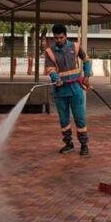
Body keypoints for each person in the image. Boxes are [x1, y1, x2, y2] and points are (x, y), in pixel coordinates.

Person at [44, 24, 92, 155]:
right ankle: (68, 144)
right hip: (60, 91)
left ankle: (84, 145)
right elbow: (50, 69)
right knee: (64, 119)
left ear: (66, 36)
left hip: (76, 89)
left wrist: (87, 75)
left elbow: (86, 59)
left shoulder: (75, 47)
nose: (59, 40)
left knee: (79, 117)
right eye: (56, 38)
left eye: (61, 37)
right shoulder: (49, 52)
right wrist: (56, 78)